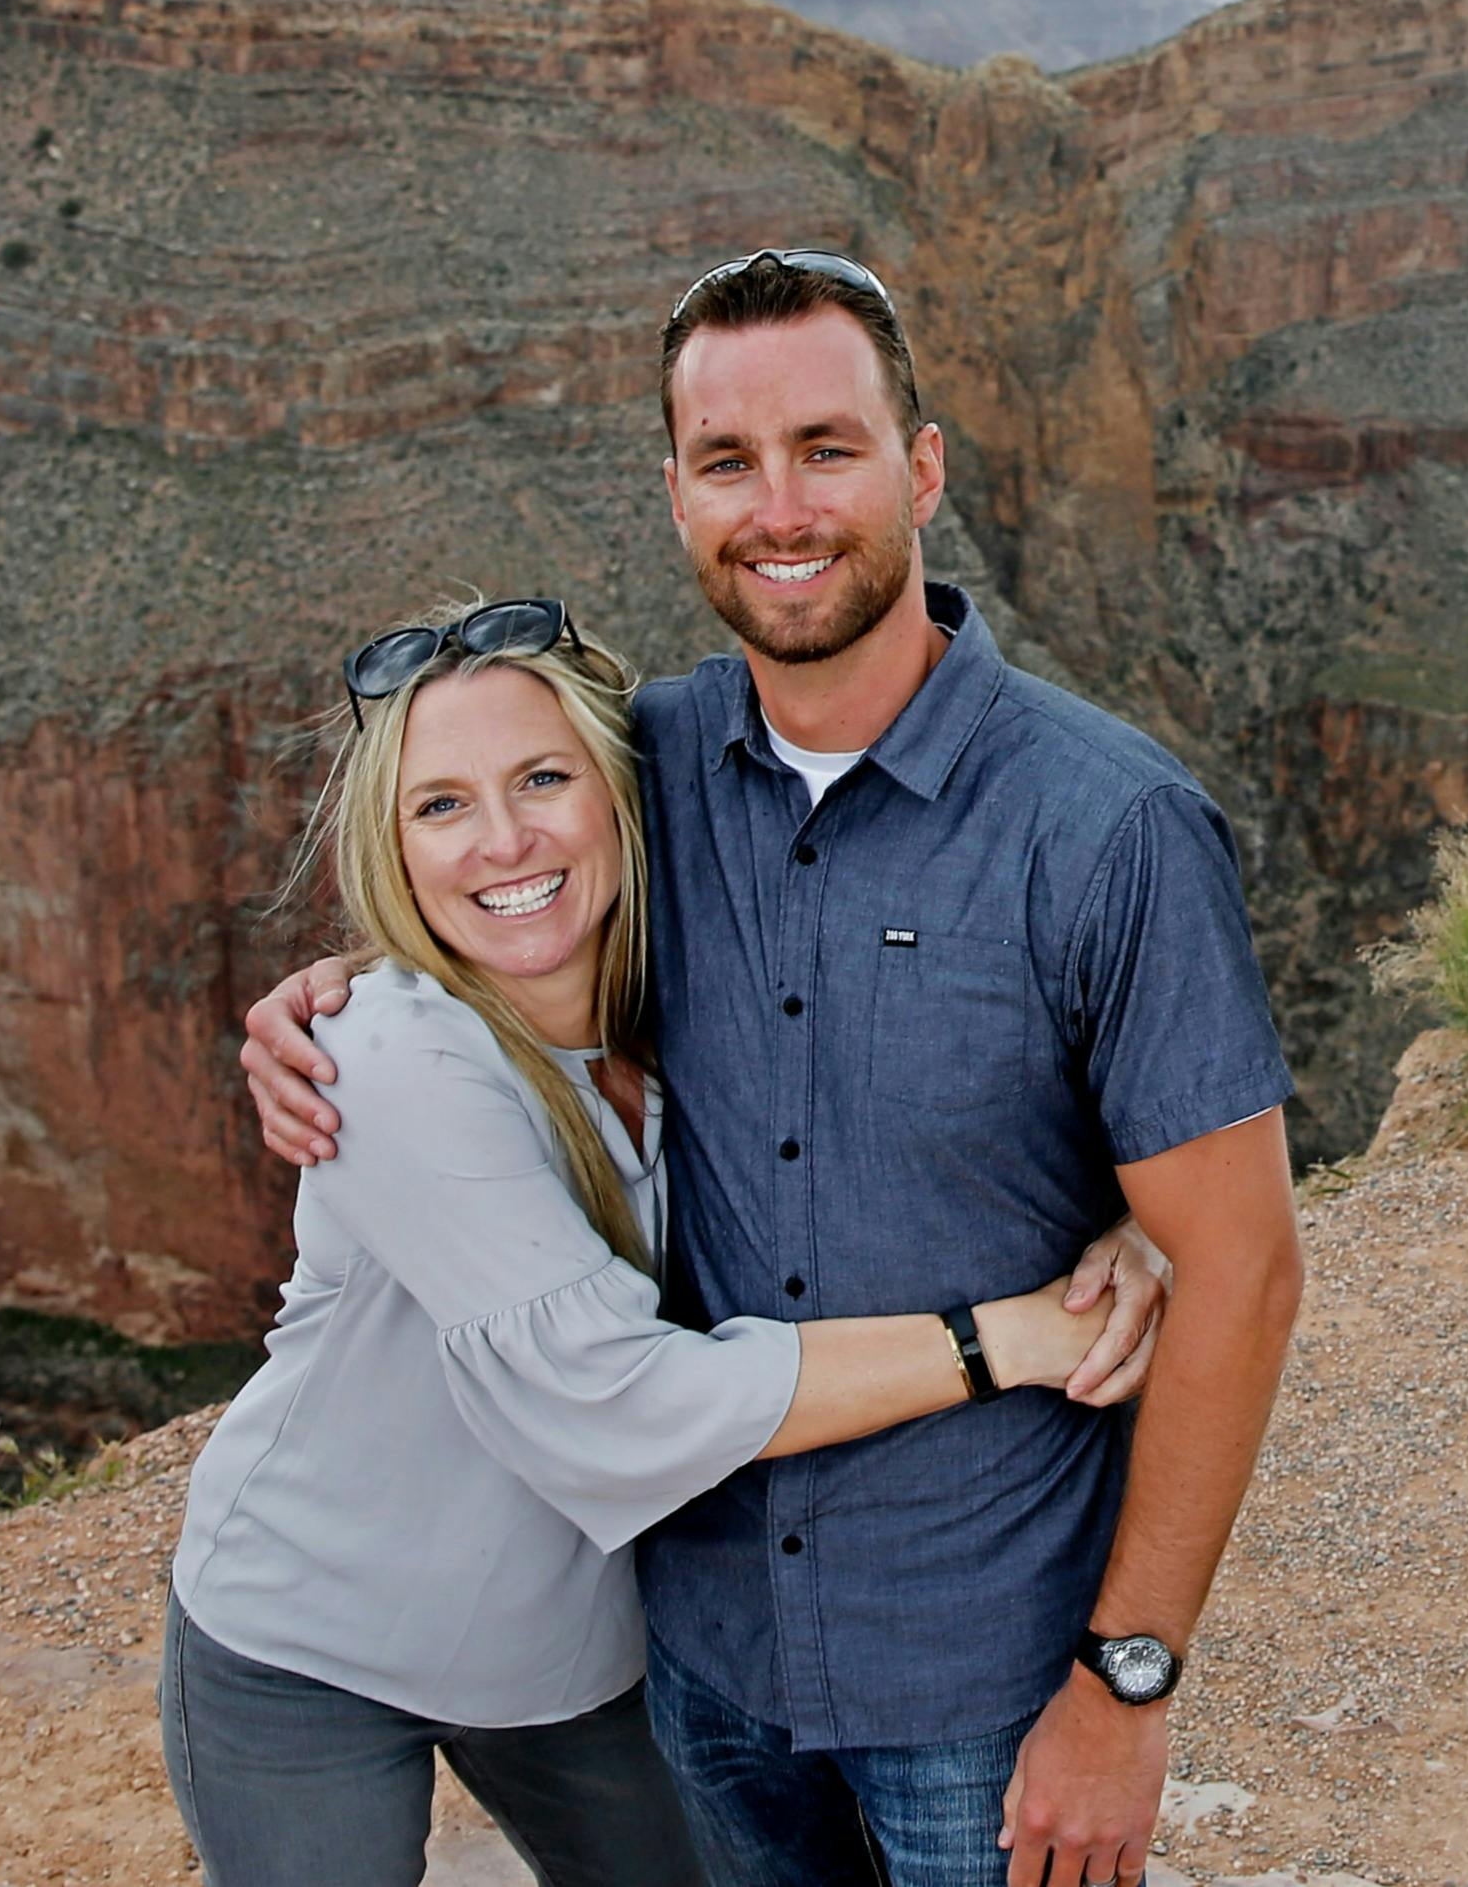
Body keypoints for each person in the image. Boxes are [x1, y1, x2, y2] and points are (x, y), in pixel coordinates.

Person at [247, 249, 1304, 1887]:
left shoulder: (1109, 830)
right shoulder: (642, 772)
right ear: (677, 496)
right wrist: (344, 993)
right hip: (709, 1654)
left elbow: (1243, 1268)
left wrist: (1128, 1684)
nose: (782, 510)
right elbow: (498, 882)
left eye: (827, 448)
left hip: (982, 1665)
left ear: (922, 469)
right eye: (729, 463)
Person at [166, 597, 1167, 1887]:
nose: (504, 839)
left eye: (542, 779)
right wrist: (997, 1343)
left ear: (622, 795)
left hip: (570, 1653)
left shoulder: (693, 989)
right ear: (391, 848)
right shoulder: (390, 1057)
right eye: (441, 806)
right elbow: (619, 1400)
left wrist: (1139, 1214)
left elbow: (970, 1085)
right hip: (314, 1639)